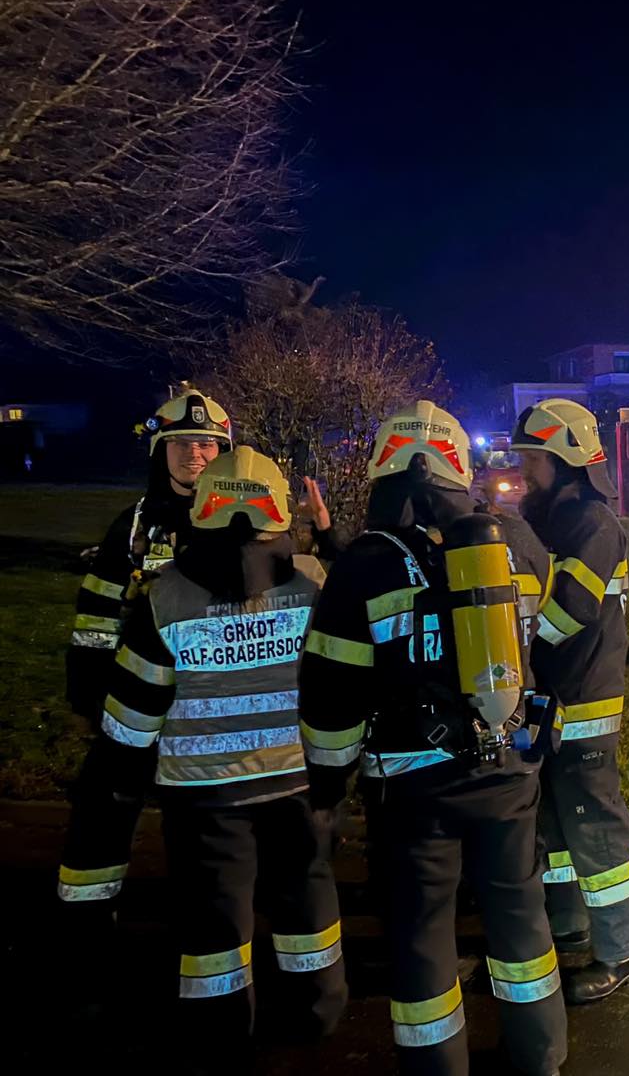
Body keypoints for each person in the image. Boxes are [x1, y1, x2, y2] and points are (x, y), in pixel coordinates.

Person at [299, 400, 566, 1076]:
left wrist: (328, 783)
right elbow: (541, 639)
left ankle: (437, 1066)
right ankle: (540, 1056)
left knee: (422, 936)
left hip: (413, 790)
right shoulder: (520, 543)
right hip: (509, 771)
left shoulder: (366, 563)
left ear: (384, 473)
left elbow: (332, 692)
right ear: (459, 470)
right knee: (520, 918)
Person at [70, 446, 346, 1063]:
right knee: (306, 894)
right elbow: (341, 679)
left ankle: (222, 1030)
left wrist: (122, 770)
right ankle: (317, 1009)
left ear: (201, 512)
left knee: (215, 915)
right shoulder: (314, 584)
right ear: (280, 513)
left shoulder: (164, 596)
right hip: (297, 784)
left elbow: (133, 719)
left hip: (203, 799)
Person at [58, 392, 231, 930]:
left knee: (207, 825)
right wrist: (90, 691)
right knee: (102, 801)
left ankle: (205, 922)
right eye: (181, 443)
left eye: (206, 444)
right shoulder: (134, 526)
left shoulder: (240, 519)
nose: (194, 454)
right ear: (161, 452)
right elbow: (97, 613)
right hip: (134, 701)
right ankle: (86, 920)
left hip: (209, 709)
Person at [512, 398, 629, 1004]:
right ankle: (567, 925)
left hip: (585, 703)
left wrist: (512, 643)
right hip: (551, 698)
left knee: (595, 828)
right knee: (556, 822)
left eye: (533, 459)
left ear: (564, 460)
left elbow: (571, 612)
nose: (524, 471)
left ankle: (620, 950)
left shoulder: (593, 524)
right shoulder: (553, 519)